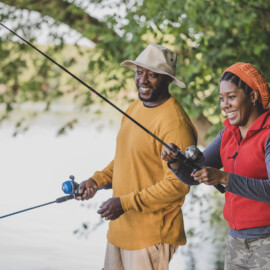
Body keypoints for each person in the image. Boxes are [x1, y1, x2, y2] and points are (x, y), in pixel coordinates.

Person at [76, 44, 197, 270]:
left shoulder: (175, 124)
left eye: (152, 74)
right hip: (119, 233)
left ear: (167, 79)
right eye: (139, 72)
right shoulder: (133, 109)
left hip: (150, 237)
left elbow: (178, 185)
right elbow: (125, 161)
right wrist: (96, 181)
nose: (143, 79)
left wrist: (125, 203)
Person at [161, 62, 270, 270]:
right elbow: (192, 176)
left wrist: (223, 178)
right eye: (222, 99)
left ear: (253, 97)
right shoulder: (227, 134)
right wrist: (175, 161)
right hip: (235, 241)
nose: (224, 104)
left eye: (231, 97)